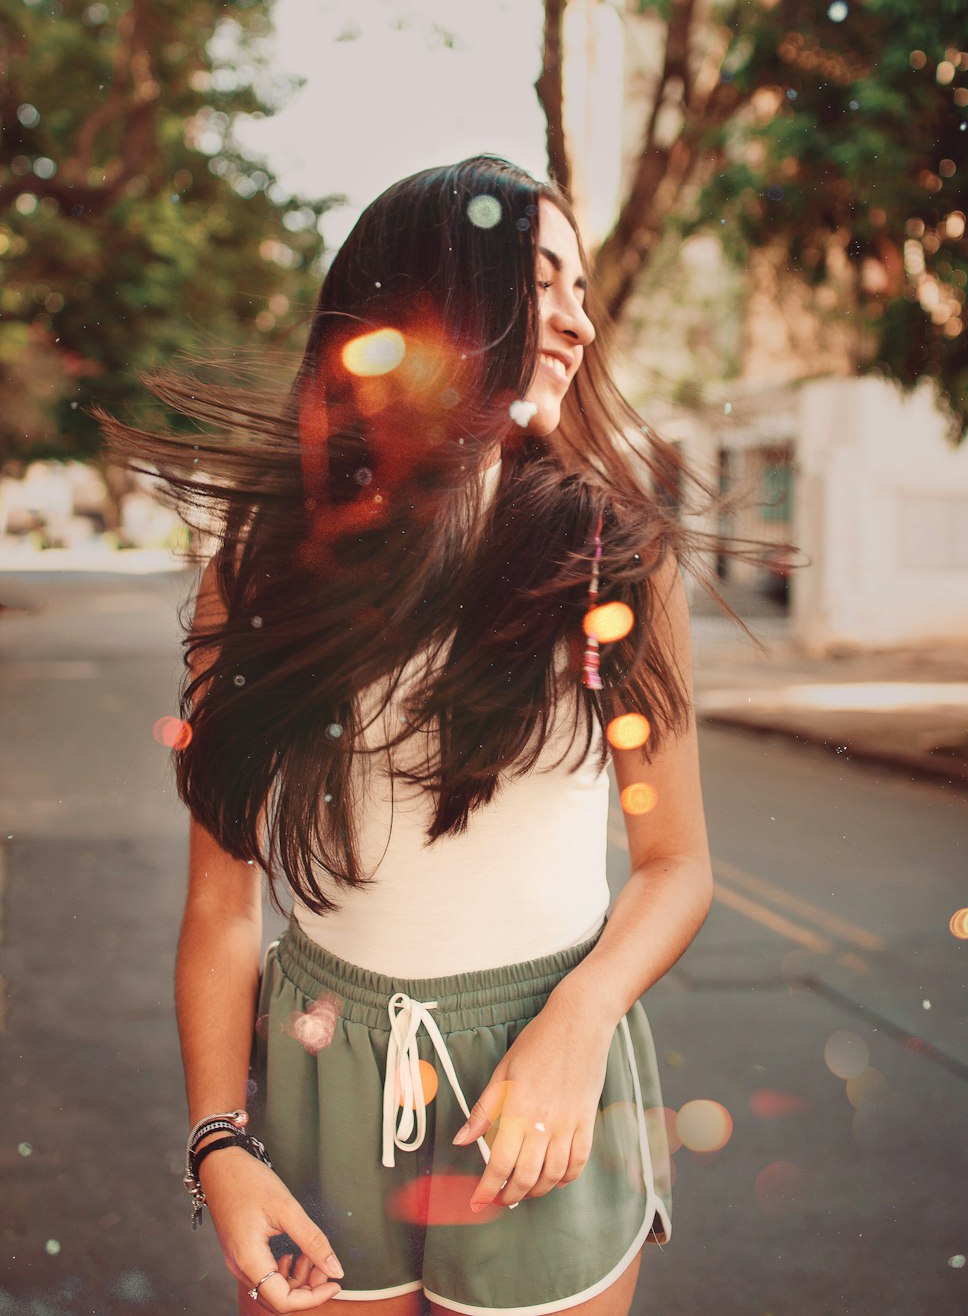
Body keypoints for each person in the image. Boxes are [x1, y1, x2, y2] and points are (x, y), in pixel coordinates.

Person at [96, 154, 745, 1316]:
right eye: (540, 281)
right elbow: (221, 905)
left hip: (542, 1064)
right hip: (312, 1066)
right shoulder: (253, 574)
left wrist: (581, 1017)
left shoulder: (611, 558)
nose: (577, 323)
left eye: (582, 290)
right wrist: (220, 1144)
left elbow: (675, 864)